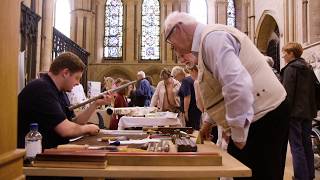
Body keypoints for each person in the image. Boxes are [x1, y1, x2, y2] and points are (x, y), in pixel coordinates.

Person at [164, 12, 289, 180]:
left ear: (178, 29)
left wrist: (238, 134)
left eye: (172, 44)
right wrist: (208, 123)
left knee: (257, 173)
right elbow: (217, 90)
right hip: (261, 115)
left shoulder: (213, 39)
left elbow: (237, 85)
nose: (174, 50)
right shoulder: (205, 43)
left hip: (264, 116)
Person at [18, 52, 112, 149]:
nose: (77, 83)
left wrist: (95, 104)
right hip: (34, 157)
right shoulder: (41, 88)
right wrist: (88, 128)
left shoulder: (60, 92)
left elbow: (73, 123)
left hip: (51, 152)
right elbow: (66, 130)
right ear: (65, 73)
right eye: (77, 78)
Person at [280, 42, 317, 180]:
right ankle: (310, 174)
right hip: (307, 112)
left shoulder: (291, 69)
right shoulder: (308, 68)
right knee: (306, 143)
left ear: (291, 53)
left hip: (294, 113)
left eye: (285, 53)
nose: (283, 56)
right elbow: (317, 89)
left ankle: (301, 176)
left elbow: (287, 94)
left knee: (296, 145)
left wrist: (284, 113)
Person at [171, 66, 201, 130]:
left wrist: (186, 112)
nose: (176, 79)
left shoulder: (185, 80)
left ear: (179, 74)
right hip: (196, 109)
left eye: (175, 77)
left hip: (191, 110)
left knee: (191, 129)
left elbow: (187, 96)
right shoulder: (191, 78)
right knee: (196, 128)